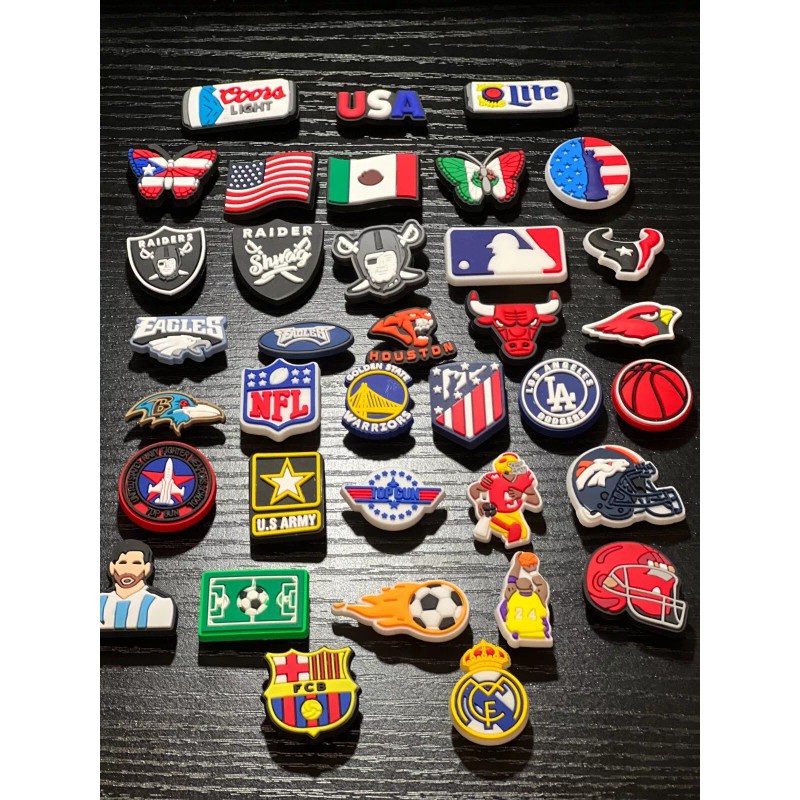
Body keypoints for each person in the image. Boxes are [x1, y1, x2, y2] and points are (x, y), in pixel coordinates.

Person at [100, 539, 176, 634]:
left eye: (136, 563)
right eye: (123, 562)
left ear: (147, 568)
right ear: (112, 567)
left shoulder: (160, 604)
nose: (128, 569)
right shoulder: (100, 602)